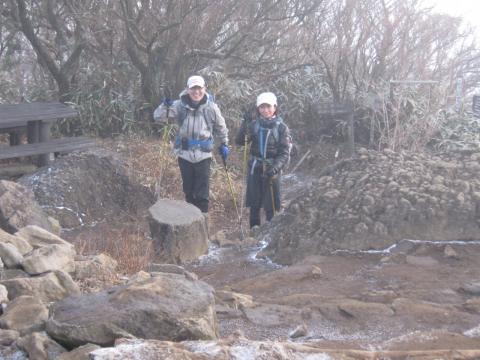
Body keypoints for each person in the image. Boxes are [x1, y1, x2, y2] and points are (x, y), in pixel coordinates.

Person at [153, 75, 229, 213]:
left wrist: (224, 144)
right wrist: (166, 105)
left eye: (199, 88)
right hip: (184, 154)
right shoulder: (179, 105)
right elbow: (158, 117)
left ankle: (203, 224)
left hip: (204, 155)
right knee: (189, 192)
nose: (196, 92)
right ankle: (191, 225)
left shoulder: (211, 108)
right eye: (193, 88)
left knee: (202, 194)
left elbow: (221, 127)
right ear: (187, 89)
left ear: (204, 89)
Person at [236, 92, 291, 228]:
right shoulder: (254, 125)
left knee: (271, 204)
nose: (265, 110)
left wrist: (275, 168)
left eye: (268, 107)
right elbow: (240, 141)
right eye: (262, 107)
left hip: (272, 168)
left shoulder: (282, 128)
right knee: (254, 203)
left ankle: (269, 235)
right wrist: (245, 123)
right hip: (255, 166)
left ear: (275, 107)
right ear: (258, 109)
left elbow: (284, 152)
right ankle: (254, 233)